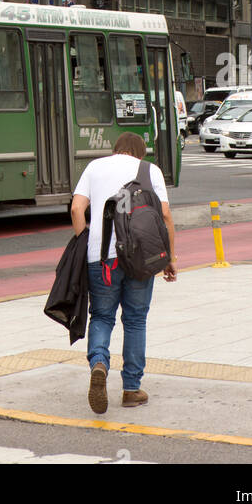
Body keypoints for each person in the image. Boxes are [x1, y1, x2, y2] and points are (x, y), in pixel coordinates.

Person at [71, 132, 177, 414]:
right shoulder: (149, 170)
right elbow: (165, 216)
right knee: (135, 320)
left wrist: (86, 243)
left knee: (102, 316)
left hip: (101, 257)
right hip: (141, 258)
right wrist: (169, 258)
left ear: (116, 150)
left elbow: (76, 209)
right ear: (140, 153)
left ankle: (99, 364)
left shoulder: (94, 167)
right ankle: (131, 389)